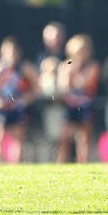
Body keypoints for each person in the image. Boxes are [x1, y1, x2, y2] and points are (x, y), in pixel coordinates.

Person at [0, 36, 39, 163]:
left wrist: (27, 98)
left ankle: (15, 166)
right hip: (3, 107)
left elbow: (37, 86)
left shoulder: (25, 67)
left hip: (18, 107)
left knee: (19, 138)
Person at [56, 34, 100, 163]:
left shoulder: (92, 65)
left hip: (85, 106)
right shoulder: (68, 63)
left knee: (84, 139)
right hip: (69, 106)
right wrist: (70, 76)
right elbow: (63, 85)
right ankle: (60, 164)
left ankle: (83, 164)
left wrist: (74, 78)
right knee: (65, 138)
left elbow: (86, 83)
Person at [35, 21, 67, 161]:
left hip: (62, 103)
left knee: (62, 137)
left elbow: (70, 66)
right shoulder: (41, 56)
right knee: (45, 137)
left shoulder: (67, 56)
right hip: (44, 103)